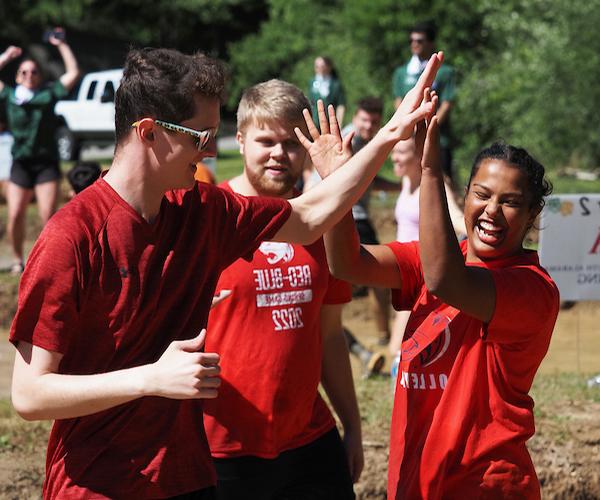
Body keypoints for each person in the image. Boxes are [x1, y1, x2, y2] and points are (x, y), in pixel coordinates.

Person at [10, 47, 443, 498]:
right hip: (98, 487)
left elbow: (310, 216)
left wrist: (391, 133)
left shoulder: (201, 210)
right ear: (149, 133)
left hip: (188, 479)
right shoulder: (72, 237)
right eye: (200, 137)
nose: (211, 151)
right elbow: (30, 394)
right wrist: (149, 379)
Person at [323, 95, 560, 498]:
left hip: (485, 484)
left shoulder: (532, 289)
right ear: (466, 195)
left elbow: (445, 281)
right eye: (482, 194)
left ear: (534, 214)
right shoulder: (427, 259)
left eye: (511, 203)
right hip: (416, 478)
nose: (491, 211)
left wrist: (429, 169)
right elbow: (347, 263)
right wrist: (335, 184)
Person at [203, 79, 361, 500]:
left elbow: (330, 336)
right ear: (239, 140)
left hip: (309, 438)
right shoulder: (209, 218)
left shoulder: (323, 226)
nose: (278, 153)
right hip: (222, 446)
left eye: (291, 143)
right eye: (265, 140)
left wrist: (353, 427)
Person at [0, 29, 80, 274]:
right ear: (17, 75)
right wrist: (5, 56)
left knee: (48, 216)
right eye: (24, 71)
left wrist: (61, 45)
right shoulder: (11, 96)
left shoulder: (48, 94)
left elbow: (74, 73)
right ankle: (17, 260)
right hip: (21, 163)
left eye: (34, 71)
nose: (29, 75)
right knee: (14, 215)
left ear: (39, 75)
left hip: (46, 163)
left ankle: (45, 261)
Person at [388, 136, 466, 356]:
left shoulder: (432, 184)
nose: (394, 157)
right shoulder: (405, 182)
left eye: (401, 152)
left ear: (418, 155)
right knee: (400, 348)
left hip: (421, 274)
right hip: (402, 272)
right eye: (394, 151)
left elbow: (456, 217)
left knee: (402, 349)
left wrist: (477, 231)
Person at [342, 97, 398, 346]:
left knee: (372, 277)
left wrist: (402, 185)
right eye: (365, 119)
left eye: (374, 121)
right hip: (350, 216)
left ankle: (383, 335)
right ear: (356, 117)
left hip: (349, 216)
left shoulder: (365, 141)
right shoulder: (349, 140)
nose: (368, 125)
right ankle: (384, 336)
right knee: (379, 275)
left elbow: (371, 180)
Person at [393, 21, 456, 180]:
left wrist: (430, 126)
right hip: (410, 139)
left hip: (439, 138)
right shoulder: (401, 73)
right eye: (411, 41)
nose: (414, 44)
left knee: (441, 182)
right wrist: (410, 128)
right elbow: (399, 102)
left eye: (419, 41)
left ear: (430, 43)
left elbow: (447, 104)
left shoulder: (445, 72)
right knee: (413, 182)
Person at [308, 56, 346, 126]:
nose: (320, 69)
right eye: (317, 66)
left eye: (322, 66)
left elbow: (340, 105)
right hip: (315, 122)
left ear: (329, 67)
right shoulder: (312, 82)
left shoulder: (335, 85)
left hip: (330, 122)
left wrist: (339, 124)